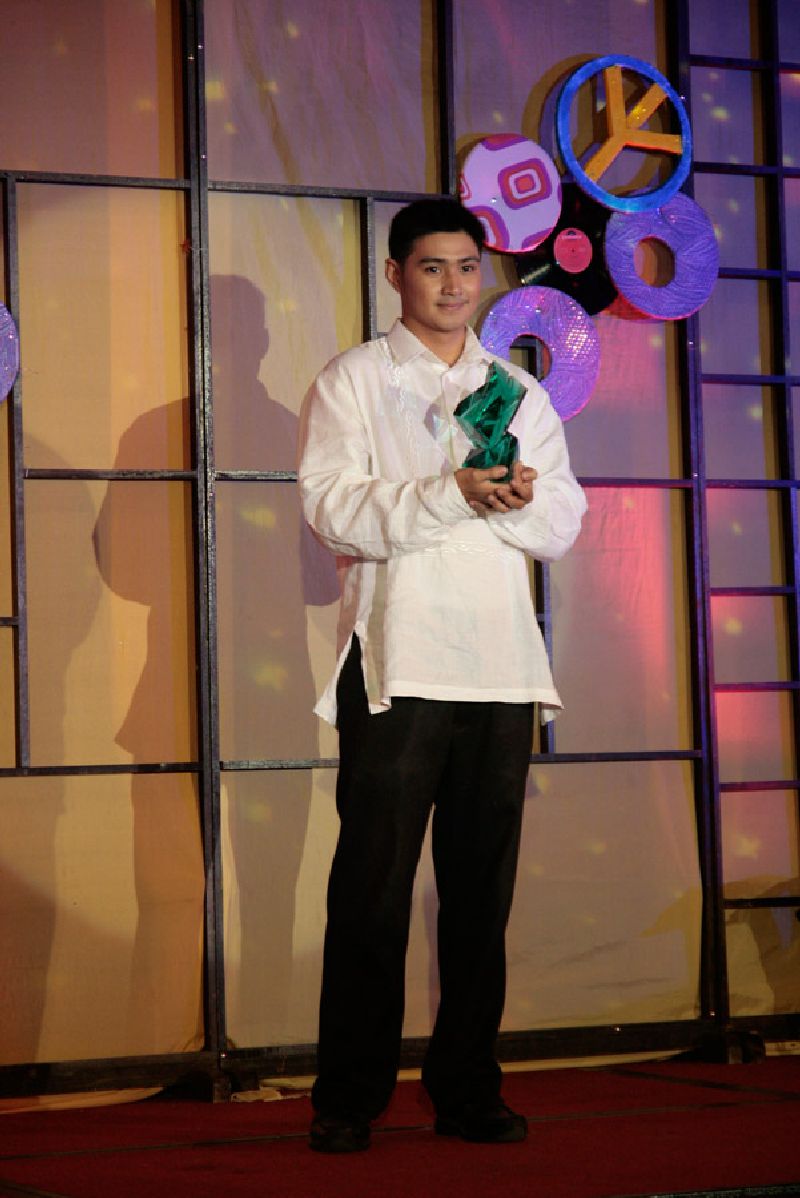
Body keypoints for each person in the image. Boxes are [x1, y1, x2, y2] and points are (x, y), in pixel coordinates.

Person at [297, 198, 586, 1153]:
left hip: (500, 668)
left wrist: (507, 497)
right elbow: (333, 511)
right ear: (396, 275)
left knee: (479, 898)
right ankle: (349, 1097)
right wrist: (451, 492)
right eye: (433, 267)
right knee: (372, 891)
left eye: (467, 267)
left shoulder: (516, 388)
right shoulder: (354, 380)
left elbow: (561, 523)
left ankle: (467, 1089)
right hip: (400, 661)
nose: (454, 285)